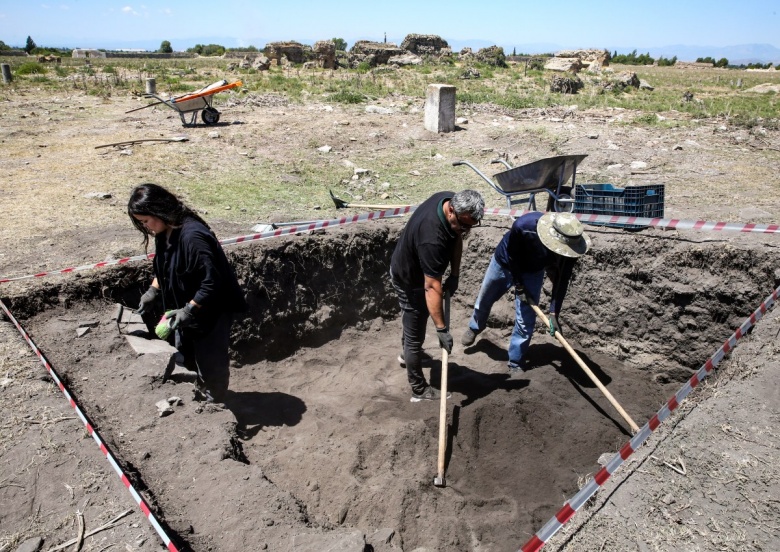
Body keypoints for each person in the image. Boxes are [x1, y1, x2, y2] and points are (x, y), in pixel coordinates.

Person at [128, 183, 247, 403]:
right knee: (185, 353)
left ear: (158, 211)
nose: (146, 227)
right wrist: (154, 290)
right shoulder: (164, 232)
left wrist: (189, 309)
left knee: (210, 359)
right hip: (184, 310)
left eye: (145, 221)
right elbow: (164, 267)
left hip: (211, 311)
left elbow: (212, 282)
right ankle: (195, 395)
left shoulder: (193, 237)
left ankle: (216, 403)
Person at [461, 211, 591, 373]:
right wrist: (519, 285)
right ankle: (475, 327)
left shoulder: (572, 248)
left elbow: (562, 279)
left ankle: (515, 362)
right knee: (486, 298)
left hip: (533, 271)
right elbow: (514, 256)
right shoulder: (524, 226)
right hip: (505, 262)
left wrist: (553, 313)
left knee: (526, 317)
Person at [389, 189, 485, 402]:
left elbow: (457, 237)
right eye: (465, 224)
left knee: (413, 324)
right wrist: (441, 330)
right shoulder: (432, 238)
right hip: (409, 280)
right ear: (451, 211)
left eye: (471, 225)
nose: (467, 229)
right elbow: (431, 286)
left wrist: (456, 273)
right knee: (415, 335)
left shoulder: (451, 199)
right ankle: (419, 389)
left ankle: (407, 355)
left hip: (418, 271)